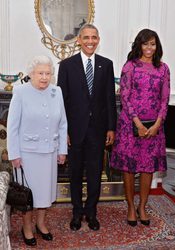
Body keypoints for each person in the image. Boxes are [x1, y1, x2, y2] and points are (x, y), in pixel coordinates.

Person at [58, 23, 117, 232]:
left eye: (94, 37)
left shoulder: (106, 64)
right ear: (79, 40)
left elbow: (110, 98)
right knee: (74, 173)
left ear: (98, 40)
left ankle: (91, 212)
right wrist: (62, 131)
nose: (90, 41)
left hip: (98, 130)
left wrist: (111, 128)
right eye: (86, 37)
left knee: (94, 173)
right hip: (74, 131)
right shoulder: (66, 65)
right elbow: (62, 101)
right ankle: (76, 212)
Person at [110, 29, 170, 227]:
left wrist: (157, 124)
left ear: (157, 46)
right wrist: (137, 123)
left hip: (154, 127)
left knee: (147, 168)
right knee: (129, 168)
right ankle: (130, 207)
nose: (149, 48)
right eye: (146, 44)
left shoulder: (163, 68)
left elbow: (165, 98)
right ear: (139, 45)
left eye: (153, 44)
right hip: (130, 125)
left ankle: (142, 206)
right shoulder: (130, 67)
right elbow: (125, 98)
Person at [7, 55, 67, 246]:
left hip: (50, 152)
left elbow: (63, 124)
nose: (44, 77)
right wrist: (14, 154)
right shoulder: (20, 92)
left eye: (47, 73)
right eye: (40, 73)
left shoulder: (56, 92)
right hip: (27, 155)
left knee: (45, 193)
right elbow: (13, 126)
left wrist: (62, 150)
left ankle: (41, 224)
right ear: (31, 74)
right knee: (28, 195)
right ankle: (26, 227)